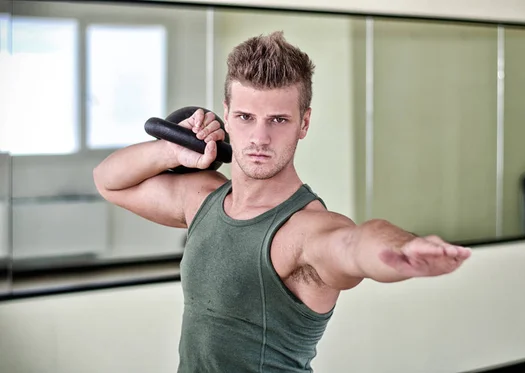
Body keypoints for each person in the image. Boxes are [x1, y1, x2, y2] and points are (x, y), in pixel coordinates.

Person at [93, 31, 471, 373]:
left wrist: (402, 246)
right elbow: (109, 182)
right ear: (225, 115)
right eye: (245, 117)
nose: (259, 137)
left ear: (304, 123)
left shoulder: (304, 229)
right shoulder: (202, 199)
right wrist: (172, 151)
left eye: (278, 120)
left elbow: (354, 244)